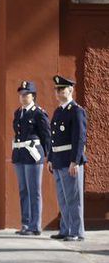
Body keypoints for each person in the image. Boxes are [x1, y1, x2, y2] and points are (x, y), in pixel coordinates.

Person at [48, 75, 87, 241]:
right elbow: (53, 137)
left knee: (73, 198)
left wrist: (75, 161)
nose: (58, 92)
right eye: (56, 89)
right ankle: (65, 229)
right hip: (58, 160)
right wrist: (50, 158)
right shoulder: (58, 111)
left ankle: (76, 232)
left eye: (61, 89)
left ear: (70, 90)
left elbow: (79, 138)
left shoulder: (77, 111)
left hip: (70, 161)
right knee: (63, 198)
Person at [12, 81, 51, 236]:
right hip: (20, 155)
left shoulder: (38, 113)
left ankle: (35, 226)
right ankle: (25, 224)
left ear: (33, 96)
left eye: (26, 94)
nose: (22, 97)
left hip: (33, 155)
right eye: (21, 94)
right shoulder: (18, 113)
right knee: (23, 190)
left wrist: (46, 155)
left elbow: (46, 136)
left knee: (34, 191)